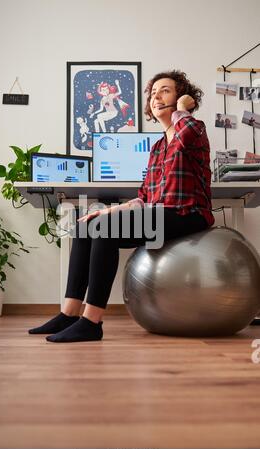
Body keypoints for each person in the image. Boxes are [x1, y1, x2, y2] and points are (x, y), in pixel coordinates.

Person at [28, 70, 214, 343]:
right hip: (160, 214)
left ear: (182, 97)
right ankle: (69, 314)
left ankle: (91, 322)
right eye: (152, 94)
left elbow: (185, 135)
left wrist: (183, 110)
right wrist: (109, 210)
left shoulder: (193, 128)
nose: (156, 97)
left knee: (105, 230)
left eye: (165, 91)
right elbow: (144, 197)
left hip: (188, 214)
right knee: (87, 224)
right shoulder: (157, 147)